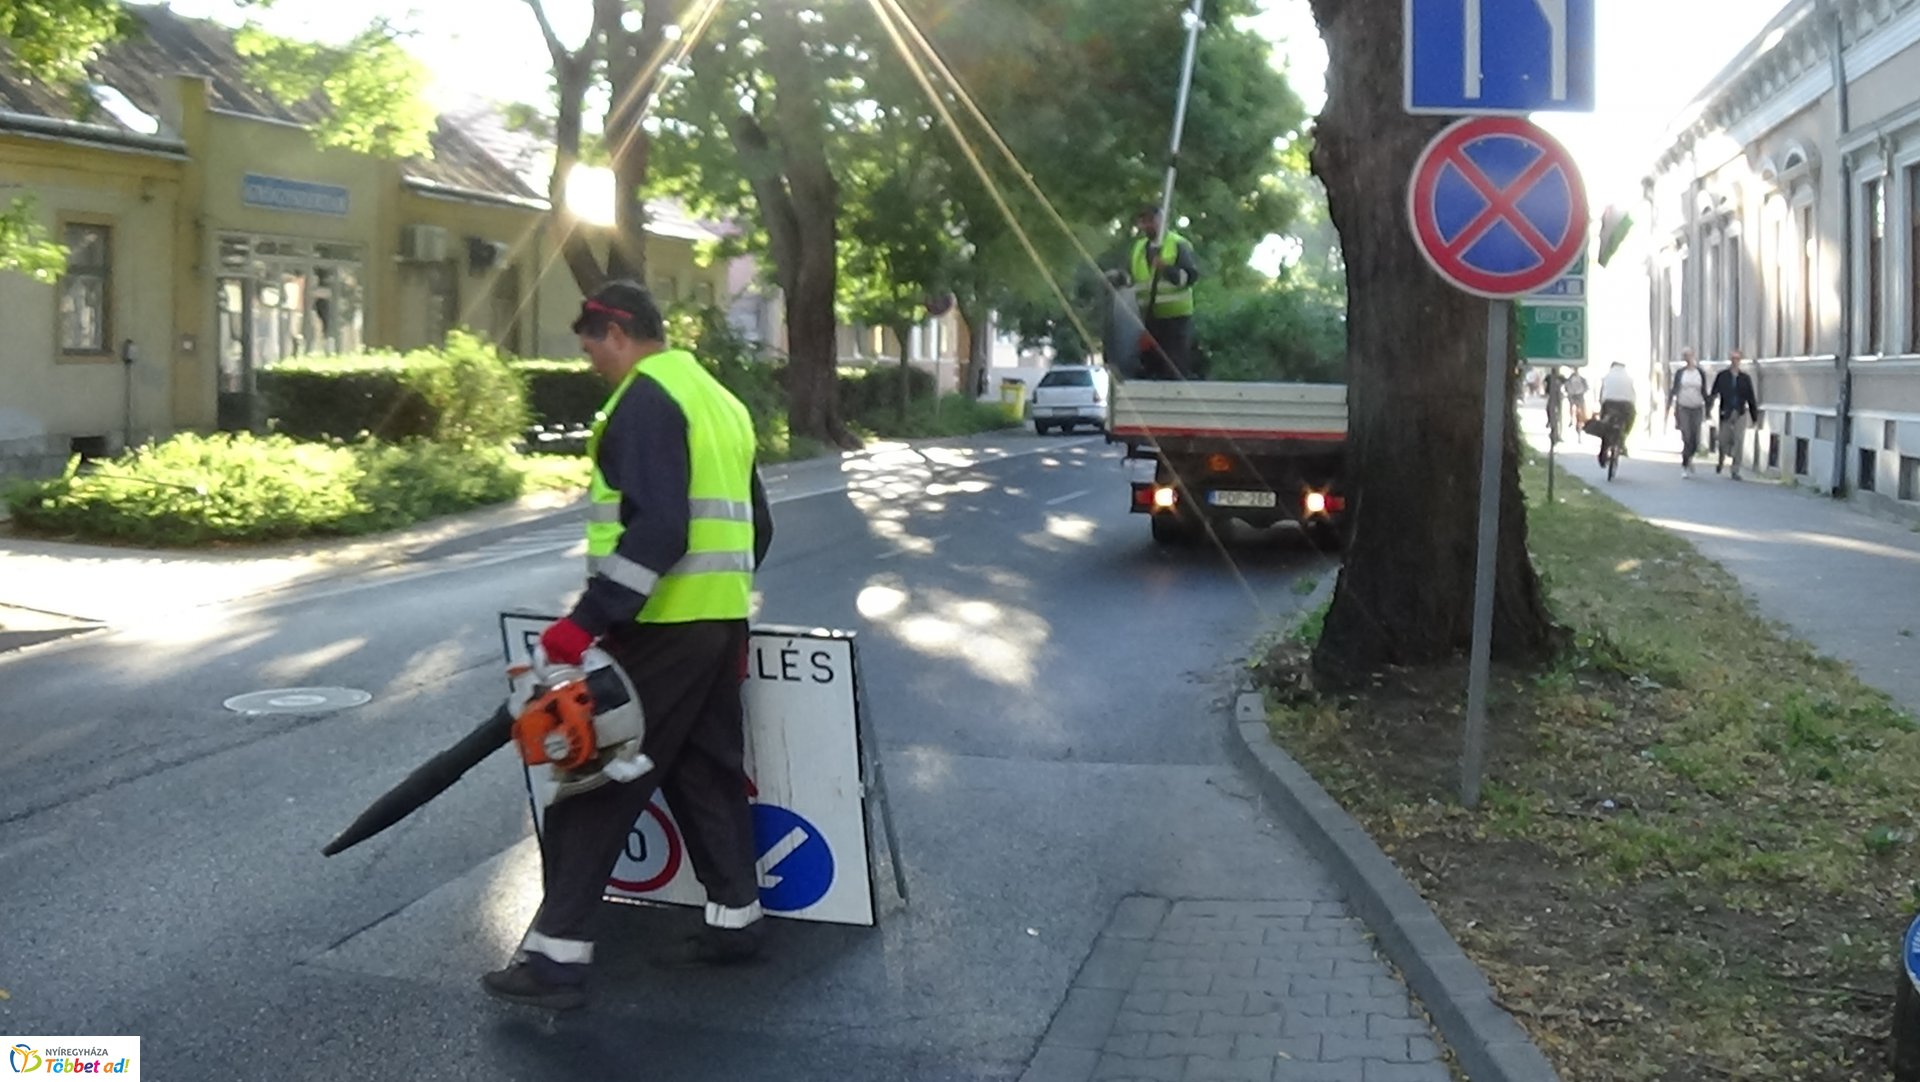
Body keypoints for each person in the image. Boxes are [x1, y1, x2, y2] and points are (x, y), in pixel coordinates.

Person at [482, 280, 776, 1011]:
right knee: (705, 771)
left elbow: (660, 530)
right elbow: (757, 528)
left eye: (590, 345)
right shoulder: (720, 401)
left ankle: (556, 962)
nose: (588, 360)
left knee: (591, 780)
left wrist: (588, 619)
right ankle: (737, 922)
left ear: (617, 330)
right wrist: (722, 611)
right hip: (714, 624)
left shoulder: (645, 400)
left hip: (658, 628)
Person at [1127, 205, 1201, 380]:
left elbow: (1188, 278)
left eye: (1151, 220)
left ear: (1161, 220)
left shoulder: (1177, 244)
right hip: (1149, 319)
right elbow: (1135, 280)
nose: (1147, 225)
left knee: (1174, 366)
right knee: (1151, 366)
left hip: (1175, 319)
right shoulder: (1138, 248)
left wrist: (1166, 269)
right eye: (1143, 221)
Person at [1708, 349, 1761, 480]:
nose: (1735, 361)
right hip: (1726, 411)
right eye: (1733, 359)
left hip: (1740, 412)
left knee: (1739, 440)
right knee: (1723, 440)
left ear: (1740, 361)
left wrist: (1754, 417)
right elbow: (1714, 393)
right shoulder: (1722, 376)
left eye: (1737, 359)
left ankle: (1735, 469)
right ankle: (1721, 459)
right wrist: (1708, 409)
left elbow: (1751, 398)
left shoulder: (1745, 379)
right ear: (1730, 360)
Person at [1668, 347, 1707, 477]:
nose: (1688, 358)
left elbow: (1704, 391)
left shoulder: (1700, 373)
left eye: (1689, 355)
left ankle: (1690, 456)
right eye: (1685, 356)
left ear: (1693, 356)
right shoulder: (1680, 373)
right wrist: (1669, 407)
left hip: (1697, 407)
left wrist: (1709, 404)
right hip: (1683, 407)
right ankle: (1684, 466)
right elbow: (1674, 389)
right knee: (1686, 436)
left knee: (1695, 439)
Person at [1596, 360, 1636, 467]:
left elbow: (1602, 393)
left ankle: (1603, 453)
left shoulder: (1607, 376)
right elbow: (1633, 394)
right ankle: (1623, 437)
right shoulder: (1628, 378)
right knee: (1631, 417)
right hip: (1625, 404)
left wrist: (1601, 404)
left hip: (1609, 404)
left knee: (1605, 426)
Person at [1563, 369, 1590, 439]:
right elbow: (1586, 388)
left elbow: (1566, 387)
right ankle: (1573, 419)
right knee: (1575, 407)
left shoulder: (1575, 379)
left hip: (1576, 396)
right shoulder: (1578, 379)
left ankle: (1575, 420)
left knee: (1577, 408)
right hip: (1576, 396)